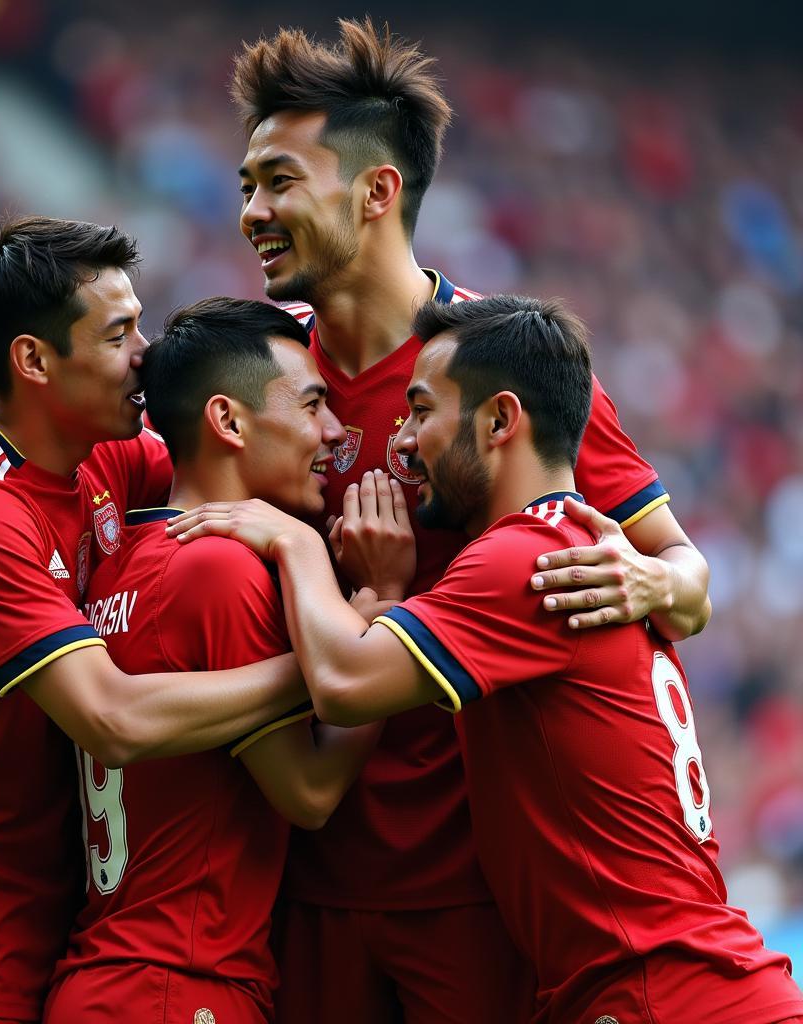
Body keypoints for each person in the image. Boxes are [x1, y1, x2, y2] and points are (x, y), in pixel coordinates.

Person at [228, 19, 712, 1023]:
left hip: (474, 900)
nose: (253, 211)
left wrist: (658, 581)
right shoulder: (256, 379)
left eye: (278, 181)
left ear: (374, 192)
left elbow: (686, 574)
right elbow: (91, 489)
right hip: (299, 889)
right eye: (246, 186)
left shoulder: (496, 375)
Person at [166, 294, 803, 1024]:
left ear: (501, 421)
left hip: (658, 990)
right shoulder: (585, 547)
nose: (400, 443)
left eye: (422, 412)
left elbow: (343, 682)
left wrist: (297, 544)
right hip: (682, 982)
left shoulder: (524, 559)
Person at [0, 218, 308, 1024]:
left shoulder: (103, 458)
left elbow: (251, 437)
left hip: (56, 939)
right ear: (32, 361)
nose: (147, 355)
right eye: (120, 333)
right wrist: (341, 672)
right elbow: (111, 719)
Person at [44, 297, 389, 1024]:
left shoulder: (114, 561)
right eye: (313, 404)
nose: (333, 433)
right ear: (228, 422)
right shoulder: (222, 570)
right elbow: (310, 792)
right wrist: (380, 619)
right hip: (181, 985)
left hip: (105, 975)